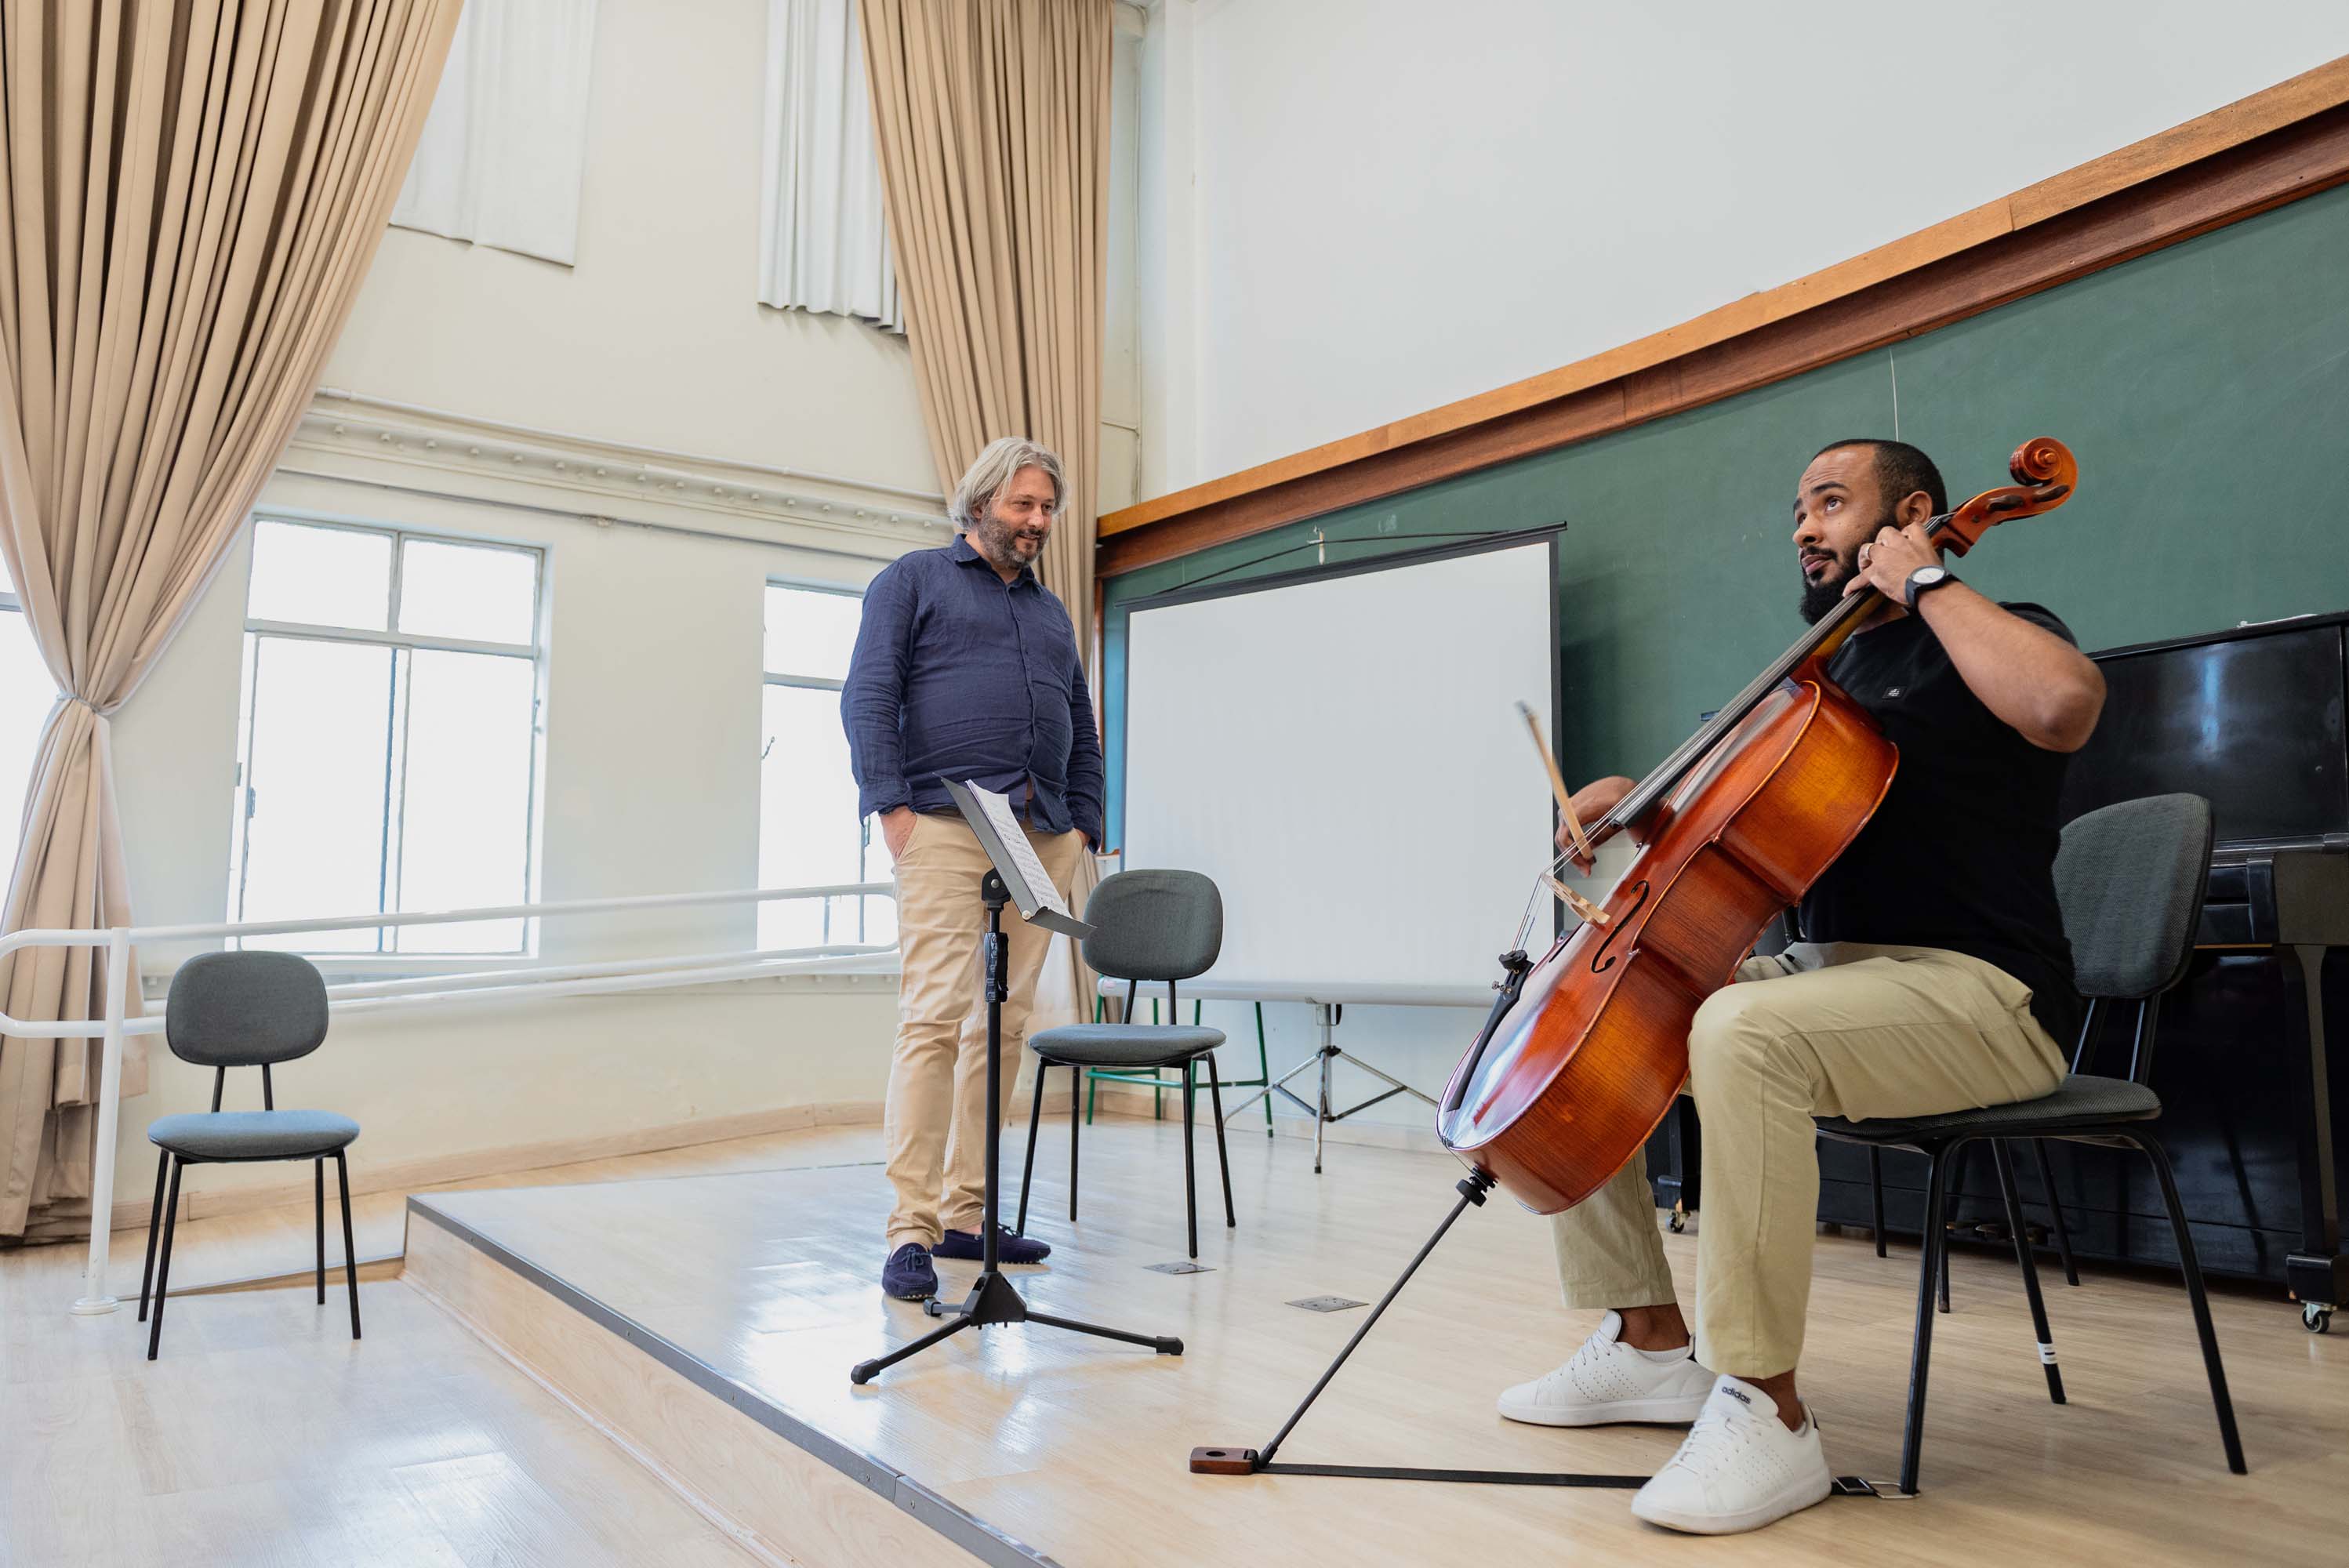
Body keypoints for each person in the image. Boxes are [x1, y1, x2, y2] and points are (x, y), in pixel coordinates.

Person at [1495, 438, 2105, 1535]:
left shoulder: (1990, 630)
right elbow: (1748, 851)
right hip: (1836, 982)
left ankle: (1767, 1411)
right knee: (1603, 1009)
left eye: (1831, 502)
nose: (1803, 527)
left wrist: (1928, 578)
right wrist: (1641, 799)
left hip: (1985, 993)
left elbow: (2064, 706)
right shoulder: (1822, 681)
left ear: (1911, 512)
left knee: (1740, 1029)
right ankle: (1646, 1342)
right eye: (1797, 510)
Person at [841, 436, 1104, 1301]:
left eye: (1046, 508)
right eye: (1023, 504)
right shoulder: (912, 581)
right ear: (980, 502)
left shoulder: (1049, 611)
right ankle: (909, 1227)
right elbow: (868, 696)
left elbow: (1081, 721)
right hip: (945, 824)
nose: (1036, 522)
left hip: (1042, 832)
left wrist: (1089, 822)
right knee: (934, 1018)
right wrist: (892, 810)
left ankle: (966, 1213)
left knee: (1005, 1023)